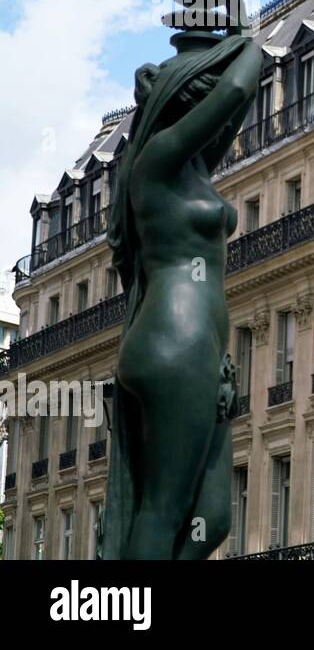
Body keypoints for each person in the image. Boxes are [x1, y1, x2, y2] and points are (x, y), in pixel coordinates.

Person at [102, 31, 262, 559]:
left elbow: (232, 104)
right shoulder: (156, 159)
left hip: (203, 351)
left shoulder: (193, 166)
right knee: (166, 509)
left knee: (211, 518)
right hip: (175, 341)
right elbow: (239, 87)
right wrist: (248, 32)